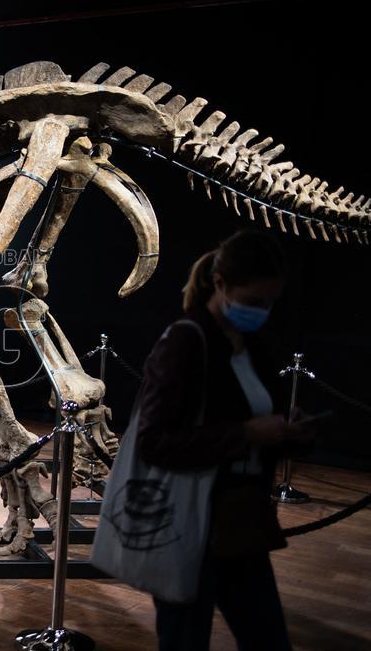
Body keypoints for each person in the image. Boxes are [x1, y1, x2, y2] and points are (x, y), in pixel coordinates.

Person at [136, 229, 308, 651]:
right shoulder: (185, 341)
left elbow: (253, 425)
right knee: (184, 641)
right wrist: (246, 434)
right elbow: (153, 441)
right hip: (189, 526)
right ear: (221, 284)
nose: (261, 311)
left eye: (269, 303)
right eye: (252, 302)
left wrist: (287, 432)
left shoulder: (253, 346)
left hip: (240, 521)